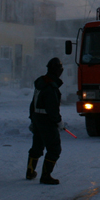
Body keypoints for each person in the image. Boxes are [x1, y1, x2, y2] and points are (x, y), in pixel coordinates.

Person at [27, 57, 65, 185]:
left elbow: (33, 103)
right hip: (47, 121)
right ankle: (46, 175)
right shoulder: (51, 86)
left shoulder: (41, 82)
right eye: (60, 69)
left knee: (37, 146)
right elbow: (53, 108)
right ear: (57, 71)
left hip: (37, 118)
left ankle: (30, 171)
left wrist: (32, 118)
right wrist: (58, 122)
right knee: (54, 148)